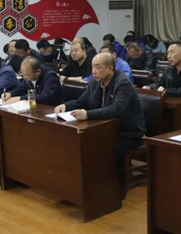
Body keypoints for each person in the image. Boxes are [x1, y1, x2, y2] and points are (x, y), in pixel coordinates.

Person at [54, 53, 145, 186]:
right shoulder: (94, 82)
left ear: (110, 68)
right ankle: (89, 184)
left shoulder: (122, 82)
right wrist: (66, 106)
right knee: (81, 145)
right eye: (92, 67)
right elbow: (83, 100)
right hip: (104, 129)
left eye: (98, 67)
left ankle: (114, 187)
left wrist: (87, 114)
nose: (94, 71)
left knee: (106, 149)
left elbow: (116, 110)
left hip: (127, 132)